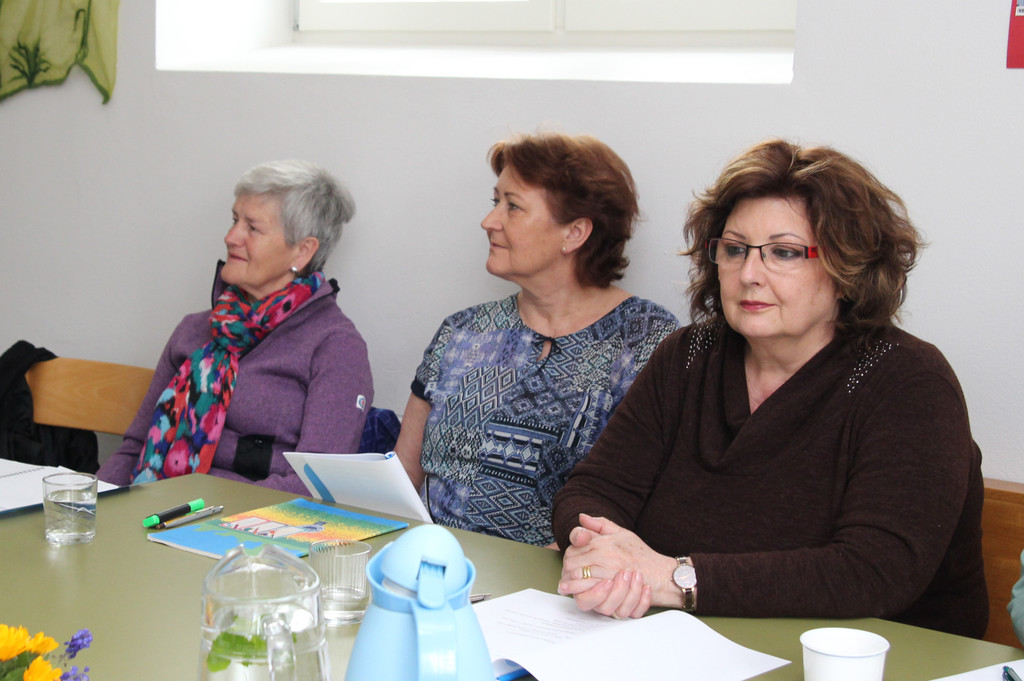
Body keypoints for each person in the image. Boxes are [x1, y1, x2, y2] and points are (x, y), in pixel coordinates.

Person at [552, 139, 987, 638]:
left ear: (848, 268)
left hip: (870, 657)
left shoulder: (909, 381)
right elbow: (593, 490)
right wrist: (598, 551)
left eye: (784, 252)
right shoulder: (688, 355)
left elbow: (875, 571)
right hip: (669, 640)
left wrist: (674, 579)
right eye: (734, 249)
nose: (749, 274)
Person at [394, 132, 678, 547]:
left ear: (575, 232)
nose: (489, 221)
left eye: (513, 206)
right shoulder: (463, 331)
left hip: (563, 576)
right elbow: (401, 483)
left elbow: (646, 504)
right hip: (436, 568)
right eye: (496, 202)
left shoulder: (645, 338)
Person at [98, 160, 372, 494]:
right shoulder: (195, 329)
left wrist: (198, 507)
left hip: (243, 521)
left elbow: (314, 485)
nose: (230, 237)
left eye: (252, 228)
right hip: (152, 506)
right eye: (234, 220)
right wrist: (89, 506)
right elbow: (135, 448)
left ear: (302, 251)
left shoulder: (335, 347)